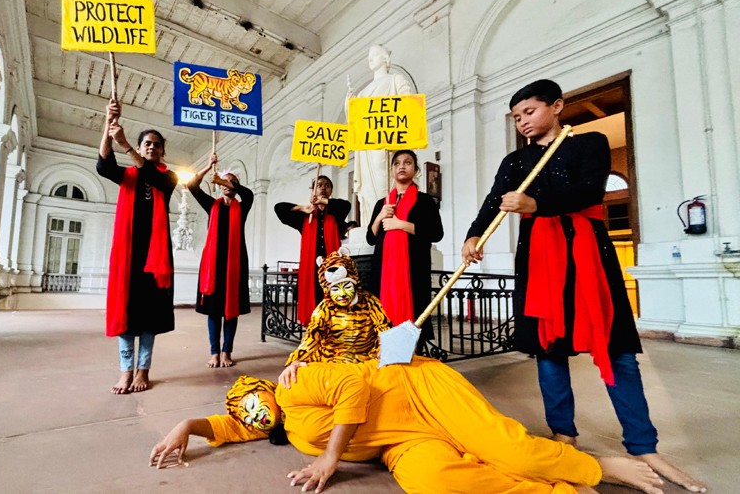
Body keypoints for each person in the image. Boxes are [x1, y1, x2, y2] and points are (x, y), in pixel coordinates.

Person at [460, 79, 706, 493]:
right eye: (517, 117)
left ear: (556, 106)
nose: (523, 122)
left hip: (589, 254)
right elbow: (493, 201)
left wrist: (537, 205)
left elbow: (590, 189)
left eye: (530, 112)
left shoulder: (588, 142)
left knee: (617, 349)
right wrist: (473, 235)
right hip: (538, 259)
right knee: (548, 350)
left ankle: (643, 445)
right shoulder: (515, 162)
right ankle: (564, 435)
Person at [149, 358, 667, 494]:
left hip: (421, 392)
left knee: (513, 450)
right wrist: (185, 425)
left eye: (253, 402)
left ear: (263, 388)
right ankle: (562, 489)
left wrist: (330, 456)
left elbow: (353, 388)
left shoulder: (293, 383)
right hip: (402, 443)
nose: (255, 415)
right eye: (250, 416)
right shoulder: (271, 422)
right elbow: (228, 424)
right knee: (433, 483)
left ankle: (599, 467)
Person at [97, 99, 177, 394]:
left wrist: (127, 145)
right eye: (147, 144)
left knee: (149, 317)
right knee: (126, 314)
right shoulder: (128, 176)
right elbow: (104, 164)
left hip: (155, 259)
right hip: (128, 256)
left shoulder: (166, 178)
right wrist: (108, 125)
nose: (151, 147)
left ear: (162, 151)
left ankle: (143, 370)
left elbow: (152, 176)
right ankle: (125, 371)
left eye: (156, 144)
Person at [366, 150, 443, 351]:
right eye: (397, 163)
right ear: (391, 170)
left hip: (413, 270)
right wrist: (380, 216)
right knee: (382, 318)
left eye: (408, 162)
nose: (402, 166)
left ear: (415, 170)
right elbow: (370, 237)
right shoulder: (382, 203)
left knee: (415, 316)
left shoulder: (425, 201)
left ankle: (412, 359)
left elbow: (436, 233)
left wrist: (401, 224)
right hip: (384, 272)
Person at [280, 249, 391, 384]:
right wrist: (295, 360)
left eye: (347, 286)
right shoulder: (324, 308)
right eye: (335, 289)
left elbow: (384, 327)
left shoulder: (370, 302)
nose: (342, 294)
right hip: (331, 360)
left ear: (355, 283)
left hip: (366, 360)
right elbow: (312, 336)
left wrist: (385, 347)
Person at [187, 154, 254, 368]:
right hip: (213, 265)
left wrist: (228, 181)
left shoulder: (242, 207)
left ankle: (227, 351)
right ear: (218, 186)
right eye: (224, 182)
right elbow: (192, 185)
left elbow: (249, 194)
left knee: (231, 310)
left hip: (235, 264)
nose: (227, 185)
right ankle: (215, 352)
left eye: (232, 182)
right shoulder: (212, 205)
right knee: (215, 311)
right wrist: (207, 167)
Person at [347, 45, 414, 227]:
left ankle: (393, 216)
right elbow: (356, 122)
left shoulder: (395, 79)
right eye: (369, 56)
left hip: (387, 142)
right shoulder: (363, 92)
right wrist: (350, 105)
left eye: (375, 54)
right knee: (368, 187)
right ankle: (372, 222)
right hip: (367, 147)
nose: (371, 58)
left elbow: (409, 108)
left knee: (385, 177)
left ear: (386, 58)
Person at [274, 176, 351, 325]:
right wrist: (301, 208)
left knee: (332, 298)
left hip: (332, 266)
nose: (323, 187)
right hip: (311, 268)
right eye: (319, 185)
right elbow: (279, 208)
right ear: (313, 190)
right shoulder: (304, 216)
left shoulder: (336, 213)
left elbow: (346, 205)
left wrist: (321, 201)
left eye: (327, 185)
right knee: (314, 299)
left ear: (331, 191)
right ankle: (313, 335)